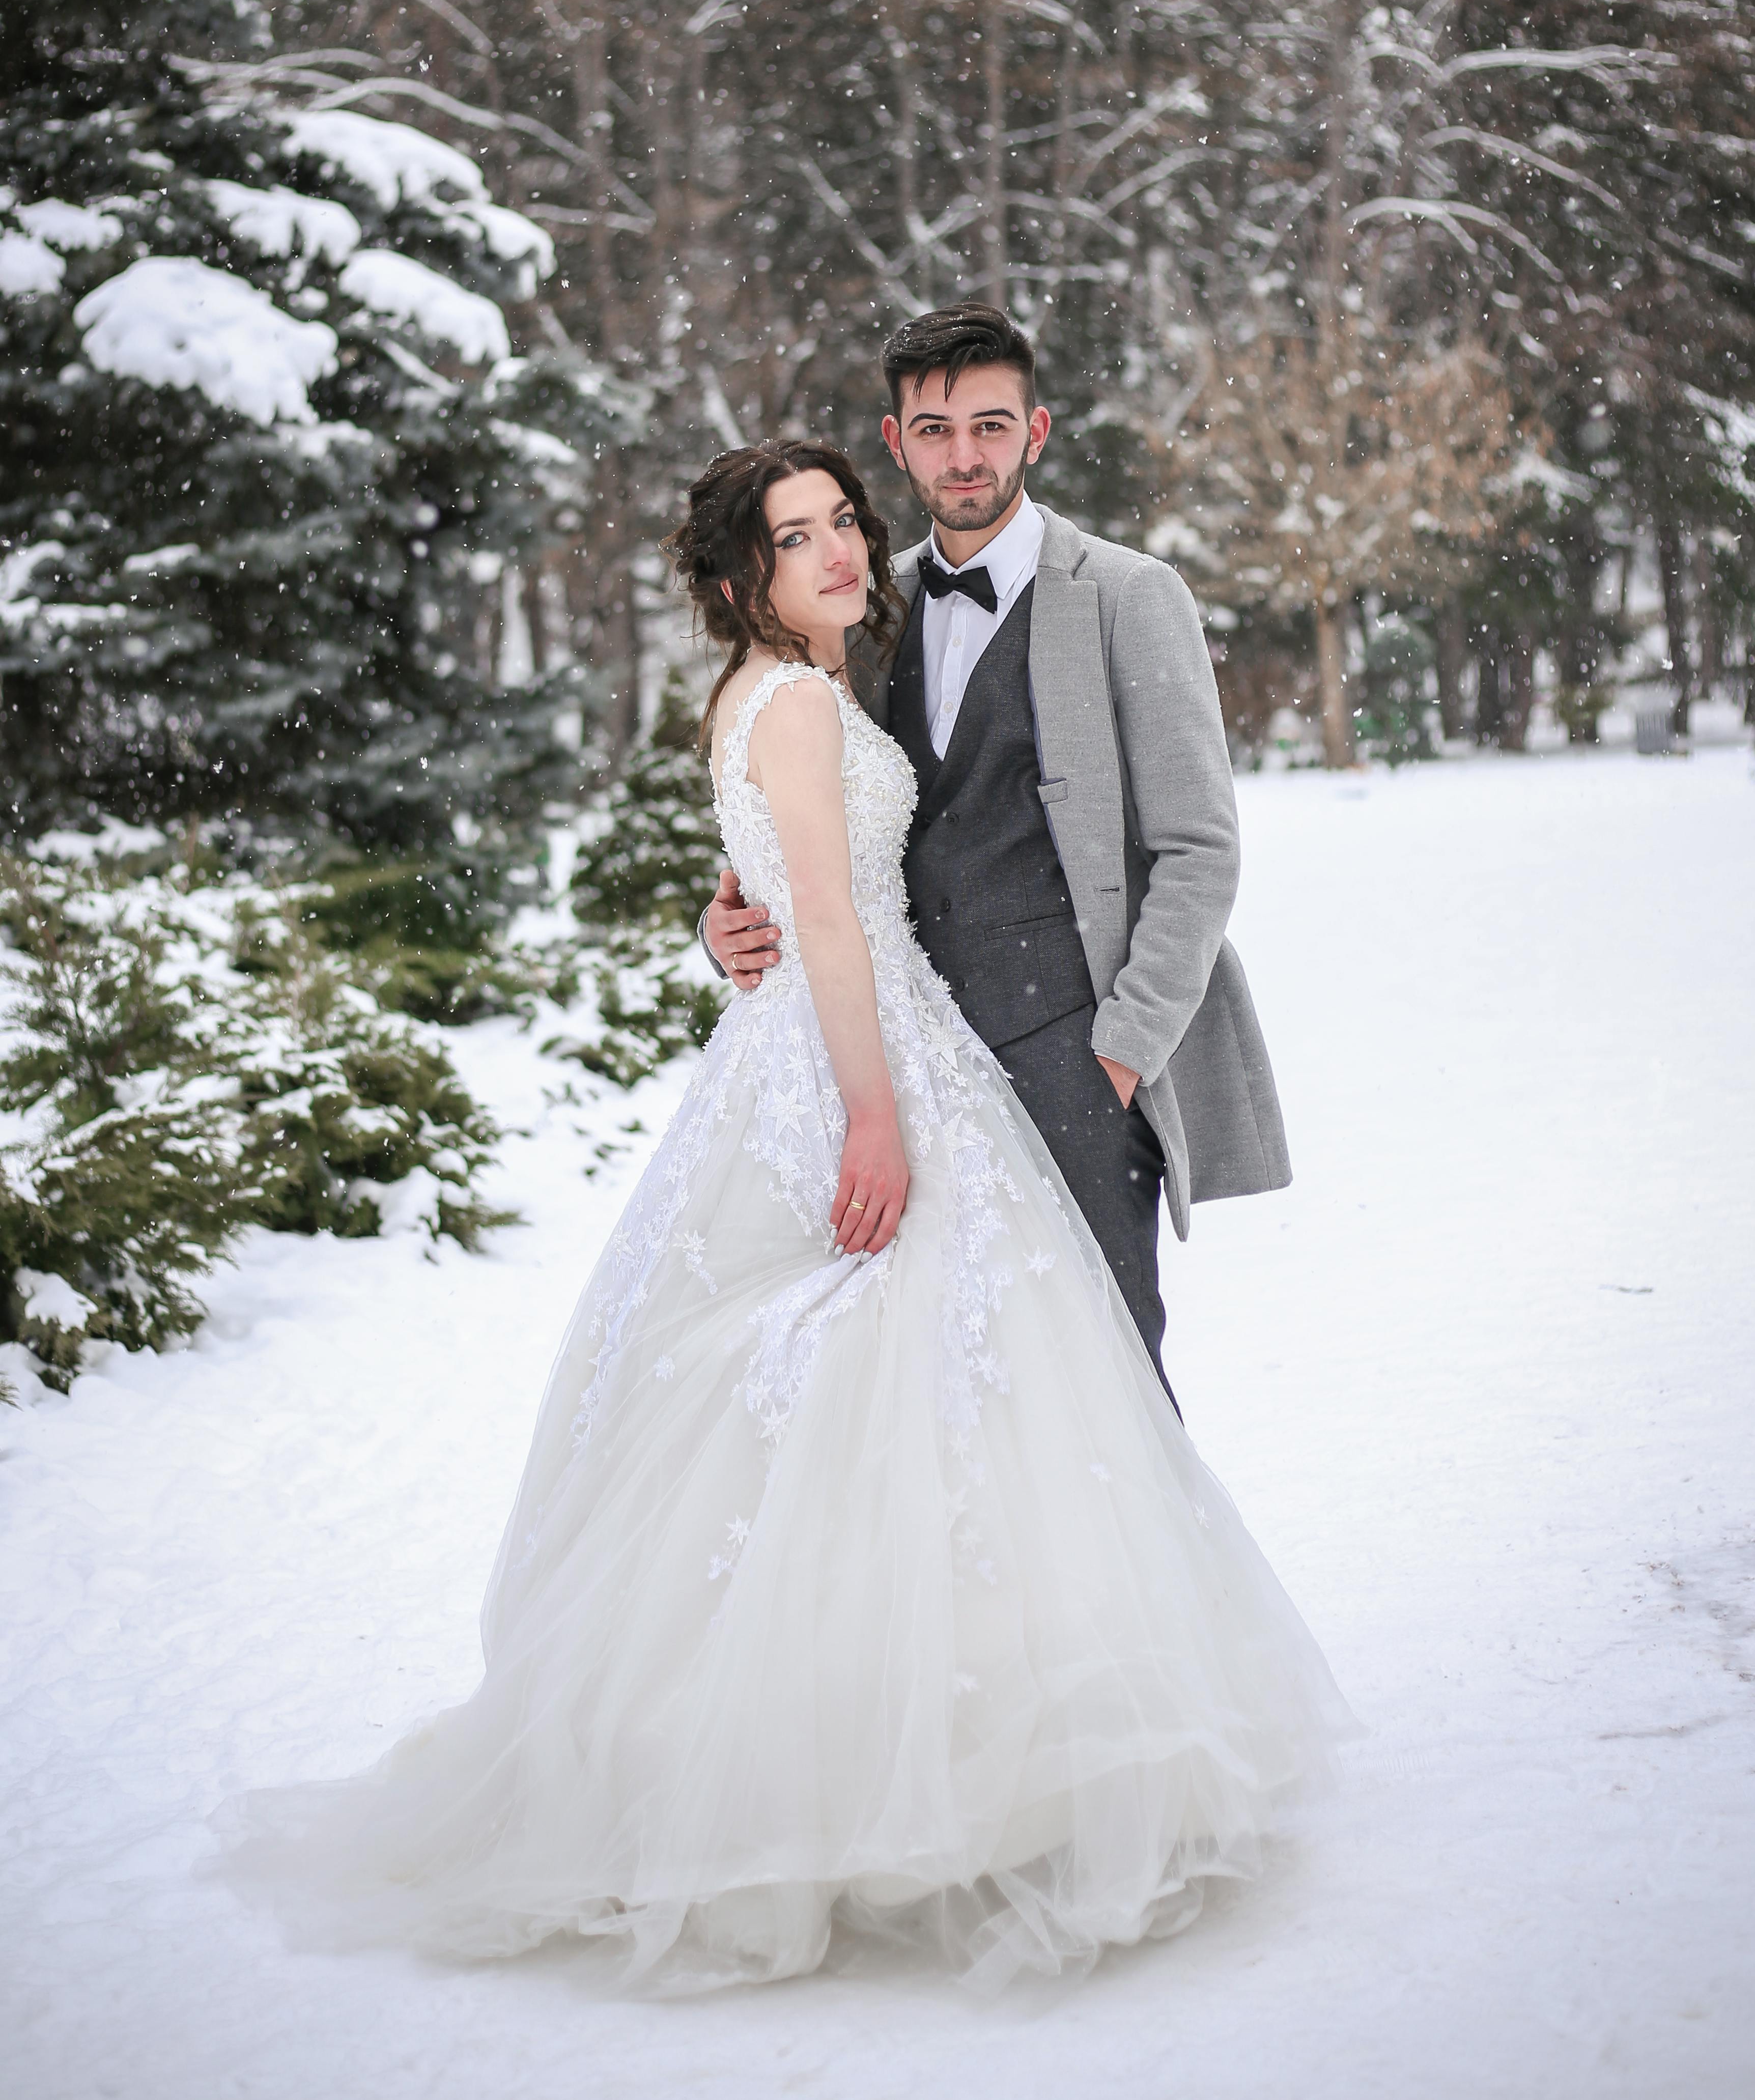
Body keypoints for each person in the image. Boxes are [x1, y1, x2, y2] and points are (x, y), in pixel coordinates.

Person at [219, 438, 1349, 1994]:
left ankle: (870, 1738)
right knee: (903, 1380)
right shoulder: (807, 699)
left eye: (840, 524)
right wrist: (875, 1113)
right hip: (855, 1058)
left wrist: (735, 921)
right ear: (739, 573)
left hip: (829, 1041)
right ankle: (913, 1762)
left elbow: (783, 870)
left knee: (878, 1395)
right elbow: (821, 906)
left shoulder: (775, 687)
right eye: (795, 535)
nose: (836, 552)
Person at [706, 301, 1290, 1396]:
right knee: (947, 1395)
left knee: (1104, 1378)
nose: (963, 455)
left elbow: (1199, 849)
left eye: (990, 425)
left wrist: (1121, 1053)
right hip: (912, 1062)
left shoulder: (1127, 597)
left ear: (1037, 431)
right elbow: (813, 827)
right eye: (934, 430)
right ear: (896, 442)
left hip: (1075, 1052)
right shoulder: (865, 609)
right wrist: (727, 923)